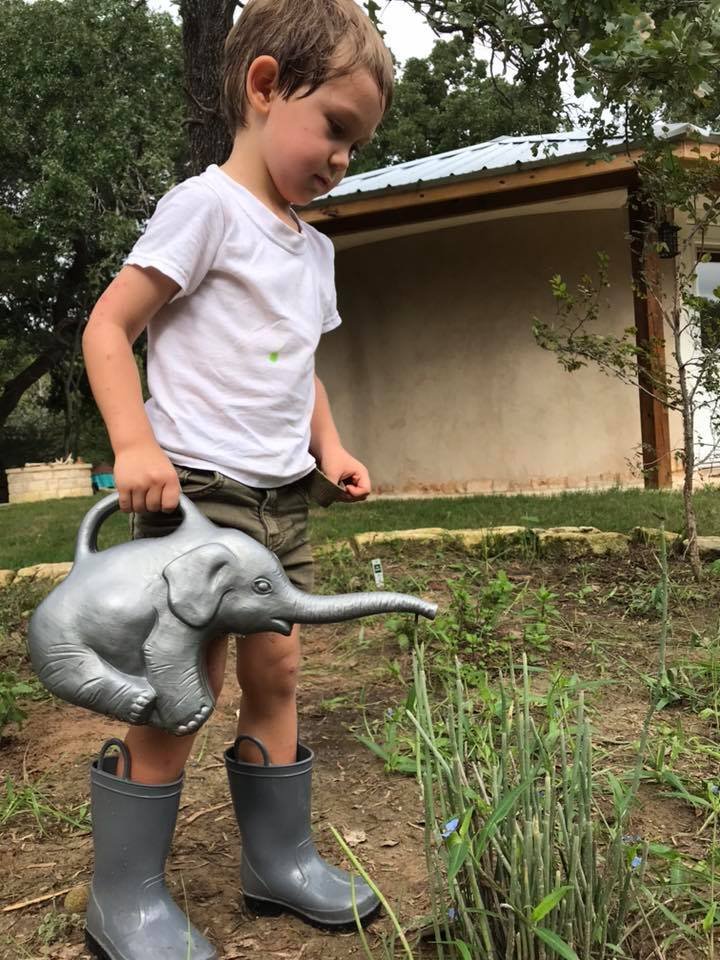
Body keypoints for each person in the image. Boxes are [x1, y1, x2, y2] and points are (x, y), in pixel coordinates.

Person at [80, 1, 393, 957]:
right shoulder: (204, 209)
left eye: (358, 144)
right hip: (199, 494)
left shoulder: (315, 249)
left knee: (280, 663)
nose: (342, 158)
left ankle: (277, 859)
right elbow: (106, 327)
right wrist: (135, 447)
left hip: (279, 494)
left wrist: (329, 445)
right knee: (186, 678)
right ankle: (123, 893)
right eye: (334, 129)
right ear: (263, 88)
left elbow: (297, 366)